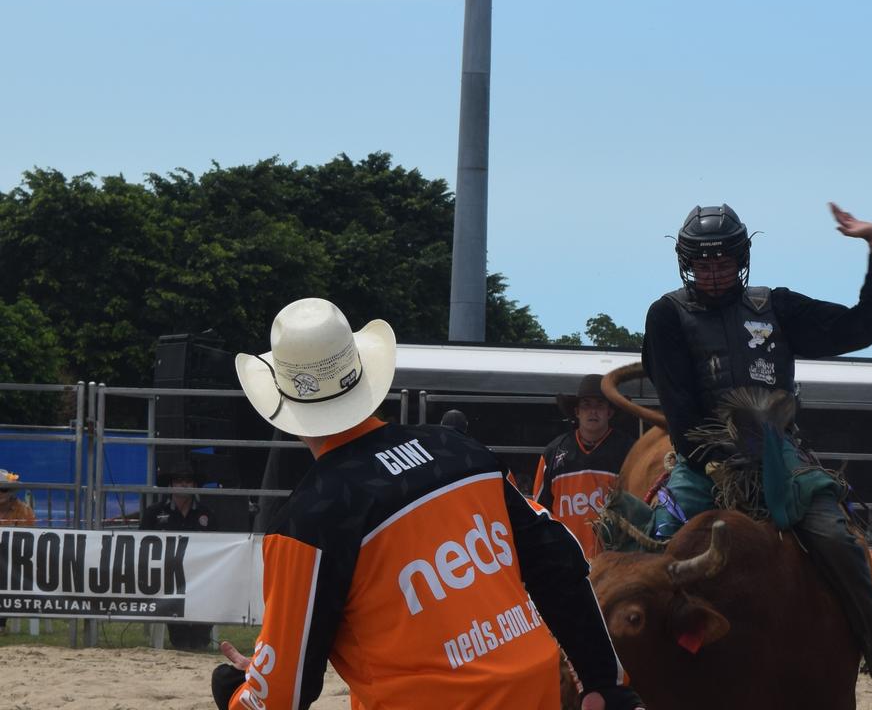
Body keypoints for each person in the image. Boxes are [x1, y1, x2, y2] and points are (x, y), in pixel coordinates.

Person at [212, 298, 643, 710]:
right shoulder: (460, 451)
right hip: (531, 687)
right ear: (362, 375)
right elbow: (557, 556)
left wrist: (237, 692)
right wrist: (601, 678)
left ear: (283, 400)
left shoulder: (307, 521)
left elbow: (282, 696)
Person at [641, 202, 872, 697]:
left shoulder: (774, 306)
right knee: (656, 548)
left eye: (721, 262)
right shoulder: (667, 315)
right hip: (702, 461)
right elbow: (678, 405)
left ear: (741, 260)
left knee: (837, 540)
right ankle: (627, 670)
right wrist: (711, 464)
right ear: (686, 264)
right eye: (702, 263)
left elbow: (867, 326)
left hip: (779, 457)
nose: (713, 273)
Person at [533, 374, 635, 559]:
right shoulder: (554, 452)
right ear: (577, 412)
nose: (593, 411)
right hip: (567, 560)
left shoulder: (629, 451)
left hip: (612, 561)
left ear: (609, 412)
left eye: (600, 405)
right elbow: (540, 510)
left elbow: (640, 508)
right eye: (586, 405)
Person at [139, 466, 217, 650]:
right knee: (170, 594)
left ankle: (200, 637)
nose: (184, 484)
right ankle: (180, 636)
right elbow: (140, 544)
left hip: (201, 574)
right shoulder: (154, 513)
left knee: (212, 589)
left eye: (188, 480)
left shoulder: (206, 514)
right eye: (179, 480)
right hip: (165, 575)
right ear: (171, 484)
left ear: (195, 484)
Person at [0, 470, 35, 635]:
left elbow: (28, 542)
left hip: (14, 561)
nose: (1, 493)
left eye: (4, 489)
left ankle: (0, 624)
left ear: (11, 492)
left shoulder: (24, 511)